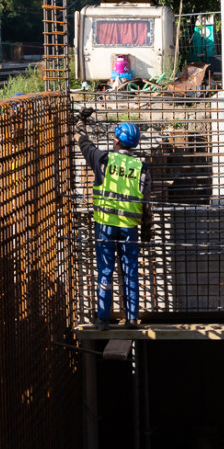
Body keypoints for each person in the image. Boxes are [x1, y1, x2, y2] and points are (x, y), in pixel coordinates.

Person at [75, 116, 152, 328]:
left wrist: (81, 121)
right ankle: (132, 318)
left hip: (105, 226)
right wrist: (147, 229)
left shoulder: (103, 160)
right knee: (130, 271)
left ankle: (103, 318)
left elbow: (83, 141)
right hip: (129, 229)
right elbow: (147, 203)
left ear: (117, 140)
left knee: (106, 270)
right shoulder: (141, 168)